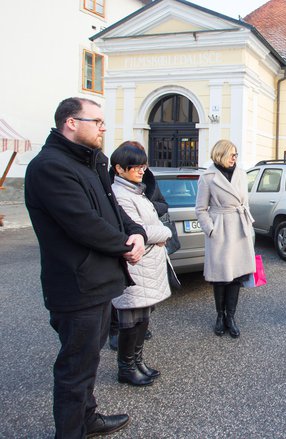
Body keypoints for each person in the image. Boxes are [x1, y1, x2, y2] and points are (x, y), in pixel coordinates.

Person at [24, 97, 146, 438]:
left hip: (98, 281)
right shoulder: (50, 166)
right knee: (74, 370)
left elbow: (112, 208)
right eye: (97, 121)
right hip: (77, 285)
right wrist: (126, 247)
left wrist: (135, 232)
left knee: (88, 360)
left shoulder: (90, 162)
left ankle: (87, 418)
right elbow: (83, 223)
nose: (103, 128)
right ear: (71, 123)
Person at [110, 142, 172, 386]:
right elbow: (138, 229)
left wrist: (155, 234)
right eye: (134, 166)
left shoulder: (138, 190)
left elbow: (147, 226)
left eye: (143, 165)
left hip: (147, 264)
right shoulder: (119, 194)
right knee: (130, 320)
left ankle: (137, 361)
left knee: (142, 318)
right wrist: (164, 232)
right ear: (119, 168)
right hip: (136, 265)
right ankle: (126, 367)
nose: (140, 170)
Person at [196, 139, 255, 338]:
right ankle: (220, 316)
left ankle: (231, 316)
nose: (234, 158)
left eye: (236, 154)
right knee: (221, 278)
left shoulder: (241, 174)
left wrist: (248, 226)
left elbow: (244, 202)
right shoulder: (208, 177)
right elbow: (200, 209)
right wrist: (211, 230)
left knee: (236, 278)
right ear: (220, 155)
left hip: (239, 228)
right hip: (220, 229)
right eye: (231, 154)